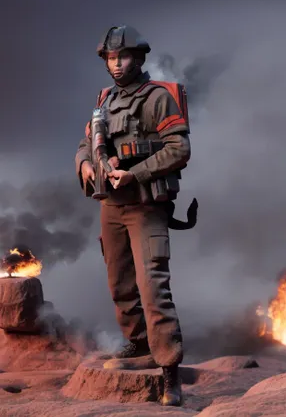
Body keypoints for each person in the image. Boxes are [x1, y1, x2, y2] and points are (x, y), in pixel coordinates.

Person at [75, 25, 192, 406]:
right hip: (111, 204)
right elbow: (83, 145)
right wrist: (86, 167)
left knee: (153, 286)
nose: (116, 64)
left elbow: (179, 149)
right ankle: (139, 345)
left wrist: (136, 172)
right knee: (119, 282)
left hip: (145, 205)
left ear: (138, 58)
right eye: (110, 58)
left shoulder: (157, 98)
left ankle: (169, 371)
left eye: (122, 57)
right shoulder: (103, 101)